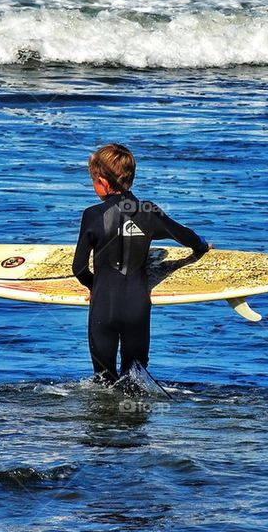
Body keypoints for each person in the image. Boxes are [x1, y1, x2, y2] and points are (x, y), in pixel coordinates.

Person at [72, 143, 211, 385]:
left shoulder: (92, 215)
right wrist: (202, 246)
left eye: (93, 181)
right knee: (135, 380)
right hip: (137, 308)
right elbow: (184, 235)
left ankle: (105, 422)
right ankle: (135, 419)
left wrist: (95, 288)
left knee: (103, 381)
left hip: (103, 307)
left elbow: (79, 268)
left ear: (103, 182)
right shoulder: (148, 212)